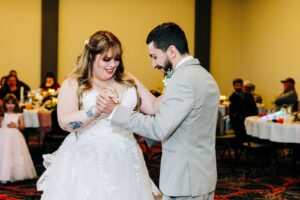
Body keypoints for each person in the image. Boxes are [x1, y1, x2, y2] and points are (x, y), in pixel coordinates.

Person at [97, 22, 220, 200]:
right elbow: (179, 120)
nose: (153, 64)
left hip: (185, 181)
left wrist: (116, 111)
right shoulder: (203, 75)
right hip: (201, 177)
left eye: (154, 56)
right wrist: (142, 135)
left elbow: (159, 128)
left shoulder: (182, 80)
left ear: (171, 51)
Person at [37, 30, 161, 200]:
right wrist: (96, 110)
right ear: (91, 57)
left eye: (116, 59)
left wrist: (177, 83)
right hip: (87, 158)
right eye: (106, 59)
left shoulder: (128, 80)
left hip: (125, 156)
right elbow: (65, 123)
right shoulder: (74, 83)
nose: (113, 64)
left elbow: (154, 106)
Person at [0, 94, 37, 184]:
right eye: (8, 103)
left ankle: (16, 175)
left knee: (15, 154)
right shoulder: (2, 115)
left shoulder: (19, 115)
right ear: (4, 104)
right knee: (4, 154)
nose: (10, 106)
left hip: (15, 137)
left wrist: (16, 125)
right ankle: (4, 174)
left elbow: (23, 126)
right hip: (3, 136)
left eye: (12, 104)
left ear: (15, 105)